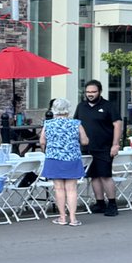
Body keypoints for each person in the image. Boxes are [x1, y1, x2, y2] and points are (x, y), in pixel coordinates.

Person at [73, 79, 122, 217]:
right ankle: (100, 202)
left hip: (104, 147)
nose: (90, 94)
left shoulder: (108, 106)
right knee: (94, 176)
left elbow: (118, 125)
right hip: (87, 148)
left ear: (99, 92)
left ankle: (112, 204)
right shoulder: (81, 106)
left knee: (105, 175)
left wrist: (115, 144)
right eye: (88, 92)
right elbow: (76, 124)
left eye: (93, 92)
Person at [39, 97, 87, 226]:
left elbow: (42, 141)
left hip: (54, 158)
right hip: (72, 158)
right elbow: (85, 141)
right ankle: (73, 218)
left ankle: (62, 217)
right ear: (67, 110)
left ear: (54, 110)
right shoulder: (76, 123)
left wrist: (49, 148)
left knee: (59, 188)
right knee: (72, 189)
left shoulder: (48, 124)